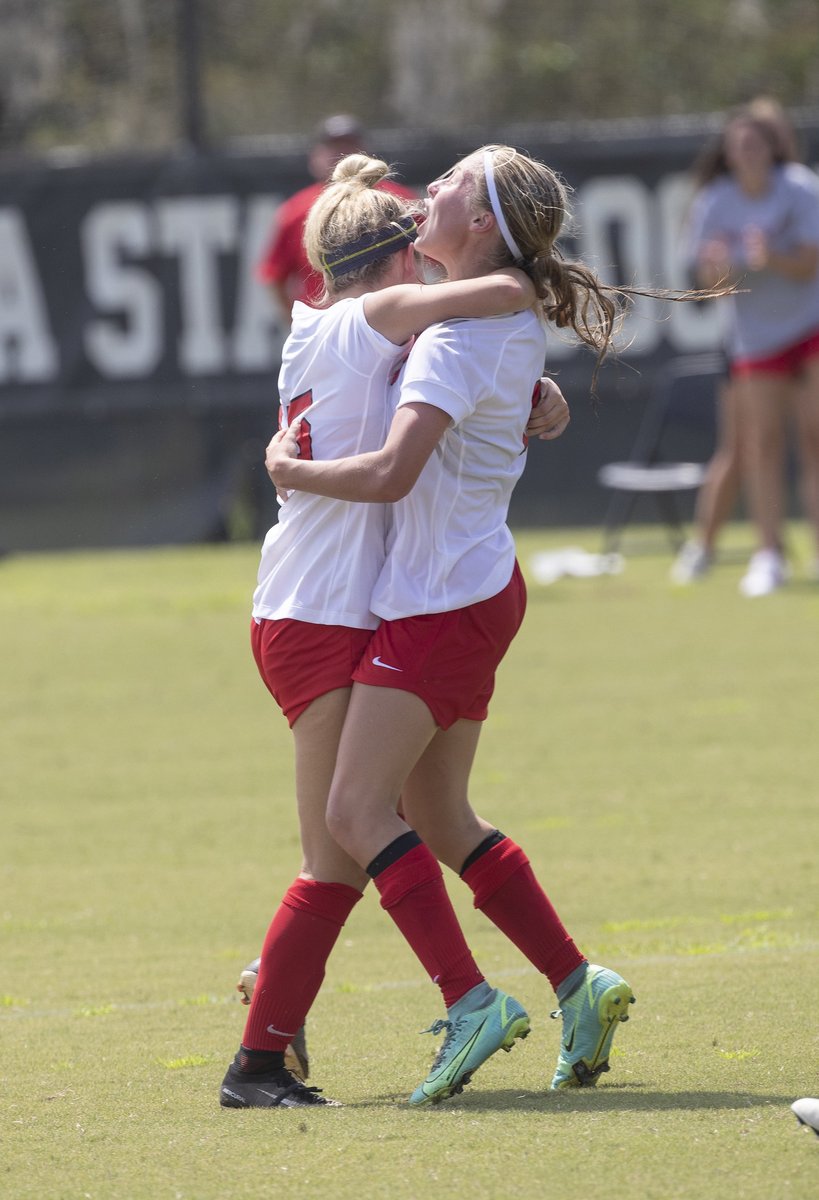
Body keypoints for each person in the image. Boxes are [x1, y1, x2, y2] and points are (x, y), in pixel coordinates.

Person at [257, 144, 662, 1111]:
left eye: (450, 184)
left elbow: (396, 470)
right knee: (440, 815)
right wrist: (541, 385)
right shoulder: (474, 318)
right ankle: (579, 983)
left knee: (357, 817)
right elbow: (502, 352)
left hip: (435, 599)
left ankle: (469, 1002)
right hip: (475, 586)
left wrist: (289, 471)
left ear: (478, 225)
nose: (429, 189)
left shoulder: (444, 332)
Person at [673, 105, 819, 596]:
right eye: (737, 148)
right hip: (754, 339)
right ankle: (769, 555)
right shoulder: (715, 201)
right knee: (761, 445)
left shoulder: (799, 188)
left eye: (755, 145)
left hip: (809, 327)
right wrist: (718, 270)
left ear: (772, 149)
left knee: (814, 436)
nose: (746, 155)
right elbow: (705, 282)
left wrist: (771, 256)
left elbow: (808, 265)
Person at [257, 113, 416, 323]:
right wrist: (299, 324)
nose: (341, 154)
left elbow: (436, 256)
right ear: (314, 157)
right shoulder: (296, 210)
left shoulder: (398, 200)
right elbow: (275, 276)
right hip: (329, 325)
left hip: (398, 322)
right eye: (332, 147)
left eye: (349, 146)